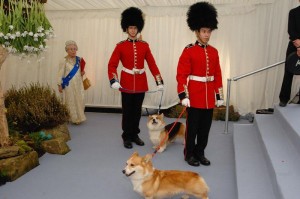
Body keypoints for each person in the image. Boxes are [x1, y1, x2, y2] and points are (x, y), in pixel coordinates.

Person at [108, 7, 164, 149]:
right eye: (130, 28)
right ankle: (126, 135)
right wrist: (114, 80)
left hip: (140, 83)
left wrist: (159, 81)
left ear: (138, 28)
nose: (133, 30)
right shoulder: (120, 46)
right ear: (126, 29)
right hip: (126, 83)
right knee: (127, 112)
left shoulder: (144, 46)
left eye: (135, 28)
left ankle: (134, 134)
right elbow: (112, 64)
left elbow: (152, 63)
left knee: (137, 111)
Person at [176, 2, 223, 167]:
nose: (207, 34)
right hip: (194, 96)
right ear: (197, 31)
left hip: (209, 96)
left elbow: (217, 74)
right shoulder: (189, 50)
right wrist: (183, 95)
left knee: (205, 129)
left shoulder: (214, 51)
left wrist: (219, 95)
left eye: (209, 31)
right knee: (192, 128)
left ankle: (200, 152)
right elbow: (181, 75)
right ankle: (189, 154)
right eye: (204, 31)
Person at [57, 40, 86, 124]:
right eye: (71, 49)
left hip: (78, 84)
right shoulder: (64, 61)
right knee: (71, 100)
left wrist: (82, 73)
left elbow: (81, 71)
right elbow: (60, 73)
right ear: (67, 51)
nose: (73, 51)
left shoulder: (79, 60)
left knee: (79, 99)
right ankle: (73, 118)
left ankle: (79, 117)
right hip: (69, 84)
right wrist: (59, 84)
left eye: (74, 49)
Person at [279, 1, 300, 107]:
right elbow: (291, 31)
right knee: (288, 72)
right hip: (294, 45)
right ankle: (283, 98)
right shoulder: (293, 12)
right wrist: (299, 46)